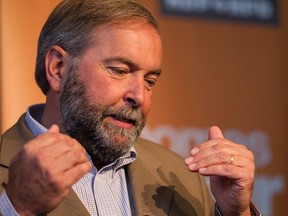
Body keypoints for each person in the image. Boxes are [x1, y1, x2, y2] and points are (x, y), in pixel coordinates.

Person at [0, 0, 260, 215]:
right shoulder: (9, 174)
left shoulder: (179, 175)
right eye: (120, 70)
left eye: (150, 81)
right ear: (58, 68)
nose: (140, 97)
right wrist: (15, 208)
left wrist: (235, 213)